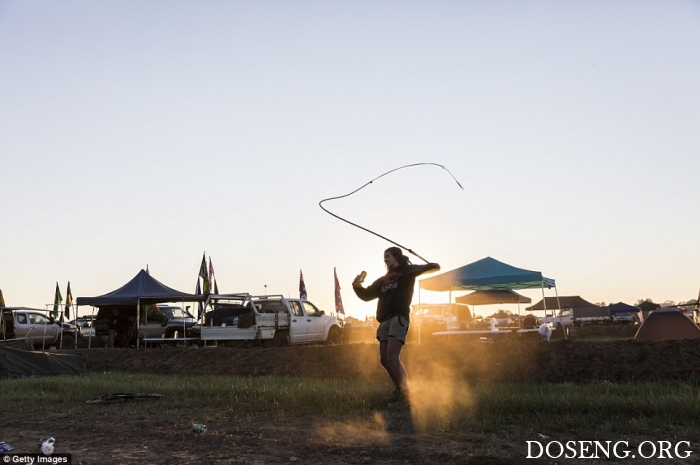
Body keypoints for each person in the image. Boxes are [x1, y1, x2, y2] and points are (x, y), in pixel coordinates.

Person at [352, 246, 440, 404]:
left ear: (396, 256)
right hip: (384, 321)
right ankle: (401, 390)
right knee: (384, 359)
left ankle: (407, 394)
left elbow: (430, 268)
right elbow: (366, 296)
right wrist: (356, 285)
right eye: (384, 256)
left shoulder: (407, 271)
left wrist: (431, 265)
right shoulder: (383, 279)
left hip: (398, 318)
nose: (385, 259)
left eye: (388, 256)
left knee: (392, 357)